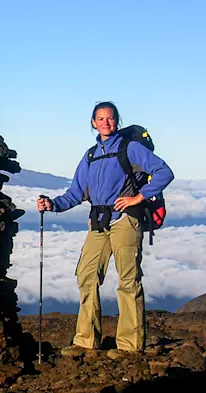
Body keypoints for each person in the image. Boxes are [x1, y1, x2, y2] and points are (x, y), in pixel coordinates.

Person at [34, 101, 174, 360]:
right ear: (93, 123)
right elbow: (75, 193)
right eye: (100, 119)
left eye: (110, 118)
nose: (105, 122)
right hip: (99, 221)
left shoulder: (130, 148)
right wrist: (52, 204)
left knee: (128, 280)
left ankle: (130, 346)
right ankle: (86, 341)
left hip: (125, 221)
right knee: (86, 276)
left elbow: (164, 172)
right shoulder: (90, 155)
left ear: (116, 121)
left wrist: (138, 198)